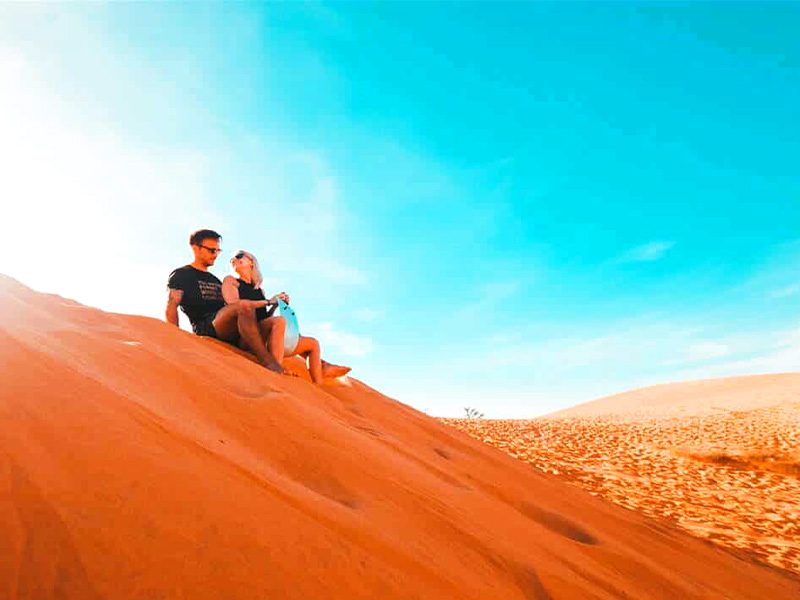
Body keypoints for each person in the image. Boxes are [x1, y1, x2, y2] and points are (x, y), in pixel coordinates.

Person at [165, 229, 285, 374]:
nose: (215, 255)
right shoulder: (182, 275)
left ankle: (278, 363)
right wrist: (174, 338)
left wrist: (275, 304)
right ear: (195, 247)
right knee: (242, 306)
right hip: (207, 327)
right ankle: (268, 362)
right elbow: (172, 305)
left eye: (217, 251)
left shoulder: (215, 280)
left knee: (275, 320)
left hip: (233, 330)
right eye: (211, 250)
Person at [222, 250, 351, 383]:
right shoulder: (231, 281)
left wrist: (276, 305)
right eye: (232, 259)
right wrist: (269, 301)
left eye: (239, 256)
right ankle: (276, 370)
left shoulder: (259, 291)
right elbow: (234, 305)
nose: (234, 259)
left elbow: (265, 318)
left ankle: (319, 387)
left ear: (251, 262)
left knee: (313, 343)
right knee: (279, 321)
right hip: (246, 337)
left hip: (265, 337)